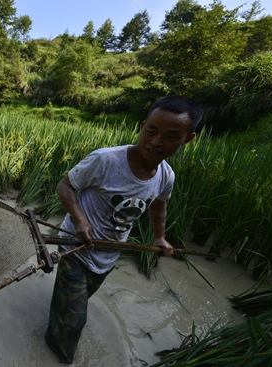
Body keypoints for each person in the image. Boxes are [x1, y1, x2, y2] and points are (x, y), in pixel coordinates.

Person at [45, 95, 204, 364]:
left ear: (187, 139)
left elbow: (158, 205)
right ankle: (56, 353)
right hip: (75, 244)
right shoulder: (106, 160)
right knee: (74, 319)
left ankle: (58, 319)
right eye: (151, 131)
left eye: (170, 136)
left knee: (76, 302)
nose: (155, 142)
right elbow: (65, 186)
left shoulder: (166, 176)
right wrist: (81, 220)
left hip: (109, 253)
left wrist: (160, 237)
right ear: (143, 126)